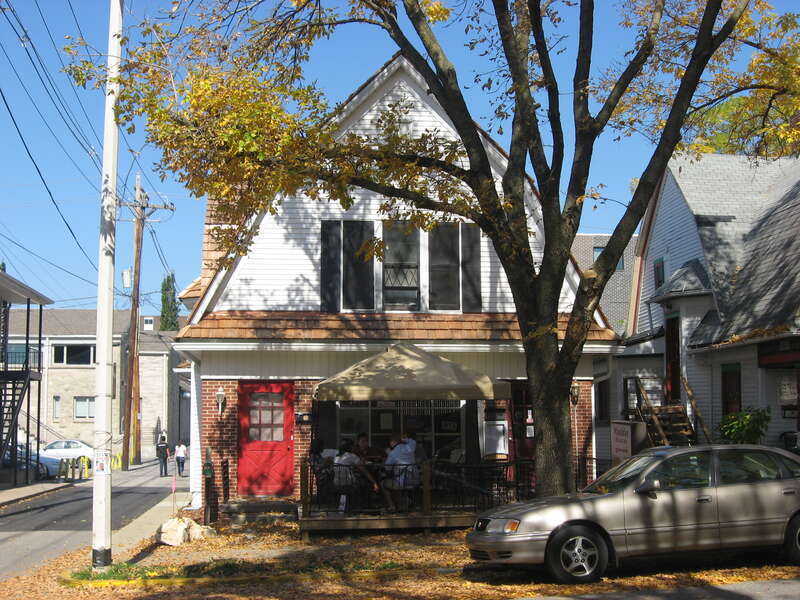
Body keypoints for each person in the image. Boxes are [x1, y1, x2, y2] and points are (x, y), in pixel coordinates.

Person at [381, 433, 419, 511]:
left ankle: (392, 506)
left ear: (392, 442)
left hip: (402, 482)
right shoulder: (409, 447)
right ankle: (404, 503)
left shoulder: (393, 453)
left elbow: (387, 468)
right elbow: (413, 441)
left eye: (390, 442)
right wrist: (403, 439)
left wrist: (389, 454)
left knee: (383, 483)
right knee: (396, 481)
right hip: (414, 480)